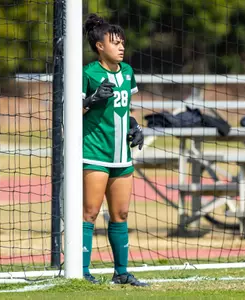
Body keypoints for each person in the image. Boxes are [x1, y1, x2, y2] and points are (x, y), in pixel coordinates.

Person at [81, 13, 147, 286]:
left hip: (123, 156)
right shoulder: (88, 73)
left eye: (123, 43)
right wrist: (91, 100)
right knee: (90, 213)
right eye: (115, 43)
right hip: (95, 152)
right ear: (100, 46)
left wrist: (134, 125)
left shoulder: (128, 72)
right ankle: (81, 272)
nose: (121, 47)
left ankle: (121, 272)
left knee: (120, 215)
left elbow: (124, 109)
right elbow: (70, 111)